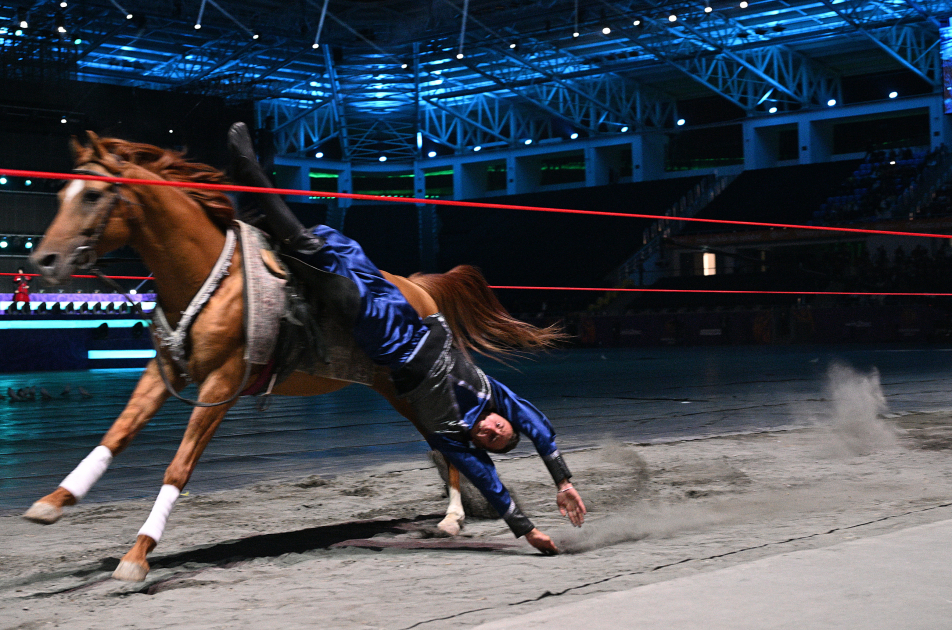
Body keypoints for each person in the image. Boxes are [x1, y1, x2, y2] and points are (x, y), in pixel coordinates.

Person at [227, 123, 584, 553]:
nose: (491, 428)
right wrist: (563, 481)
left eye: (490, 438)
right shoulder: (492, 394)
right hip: (408, 314)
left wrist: (526, 531)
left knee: (310, 249)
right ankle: (255, 195)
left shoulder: (450, 437)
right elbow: (537, 425)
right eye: (500, 427)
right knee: (333, 246)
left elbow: (489, 482)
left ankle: (251, 171)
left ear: (478, 444)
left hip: (385, 335)